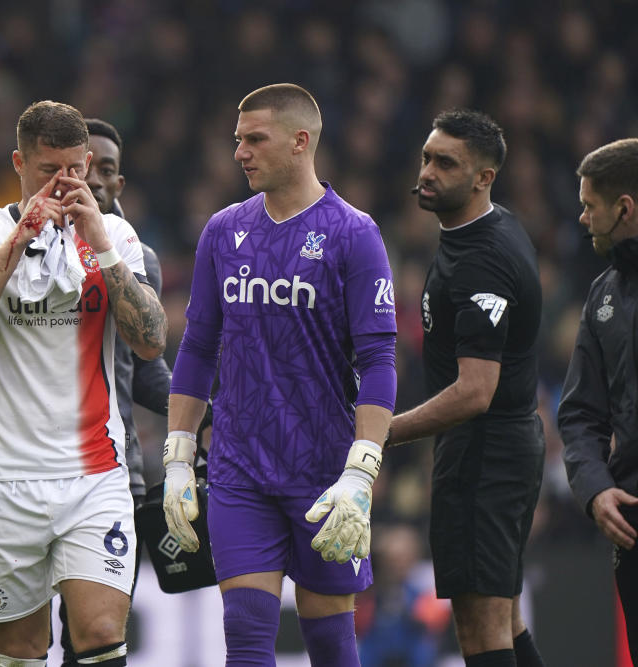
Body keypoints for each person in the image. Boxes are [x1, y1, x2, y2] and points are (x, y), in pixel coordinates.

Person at [162, 83, 397, 666]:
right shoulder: (222, 231)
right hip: (239, 467)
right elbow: (196, 347)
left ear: (300, 142)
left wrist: (362, 471)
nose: (239, 151)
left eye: (254, 139)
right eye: (236, 140)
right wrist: (176, 455)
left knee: (329, 645)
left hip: (323, 471)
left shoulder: (354, 233)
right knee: (244, 634)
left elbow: (378, 361)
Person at [0, 117, 177, 666]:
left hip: (95, 476)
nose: (63, 183)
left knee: (98, 634)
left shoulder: (118, 238)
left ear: (88, 166)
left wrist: (101, 247)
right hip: (6, 479)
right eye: (48, 170)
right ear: (19, 165)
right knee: (20, 650)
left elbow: (150, 343)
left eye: (74, 169)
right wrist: (19, 242)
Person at [385, 109, 546, 667]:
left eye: (445, 163)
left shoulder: (482, 258)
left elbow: (476, 390)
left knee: (480, 631)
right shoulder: (483, 227)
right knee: (504, 618)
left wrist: (381, 433)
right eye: (427, 157)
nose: (427, 172)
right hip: (494, 448)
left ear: (484, 179)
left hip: (487, 453)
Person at [557, 138, 638, 664]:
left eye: (590, 206)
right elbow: (579, 413)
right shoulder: (603, 296)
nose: (583, 218)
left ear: (624, 208)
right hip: (631, 522)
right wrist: (594, 489)